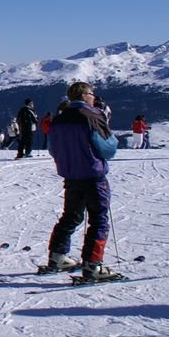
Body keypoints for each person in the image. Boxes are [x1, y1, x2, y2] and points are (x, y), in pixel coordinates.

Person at [44, 82, 121, 281]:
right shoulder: (92, 116)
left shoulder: (59, 119)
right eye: (92, 94)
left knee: (71, 216)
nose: (94, 97)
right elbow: (108, 149)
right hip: (92, 174)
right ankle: (92, 265)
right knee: (98, 219)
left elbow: (52, 149)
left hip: (70, 175)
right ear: (85, 95)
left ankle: (57, 256)